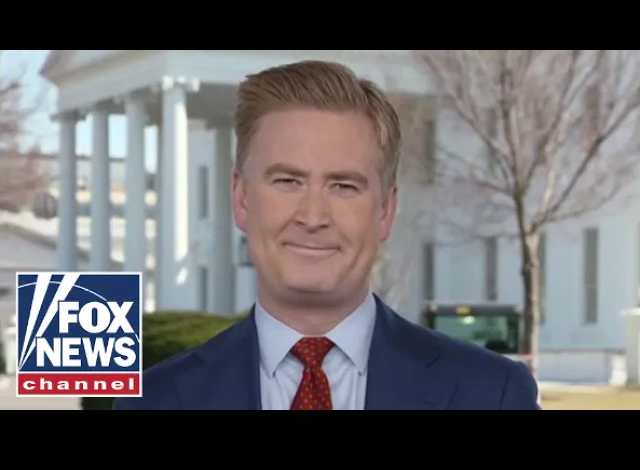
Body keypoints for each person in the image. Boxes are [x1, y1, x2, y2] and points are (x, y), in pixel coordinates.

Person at [114, 60, 541, 410]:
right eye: (288, 181)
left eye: (344, 186)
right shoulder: (156, 401)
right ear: (241, 199)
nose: (313, 216)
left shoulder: (493, 395)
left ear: (386, 211)